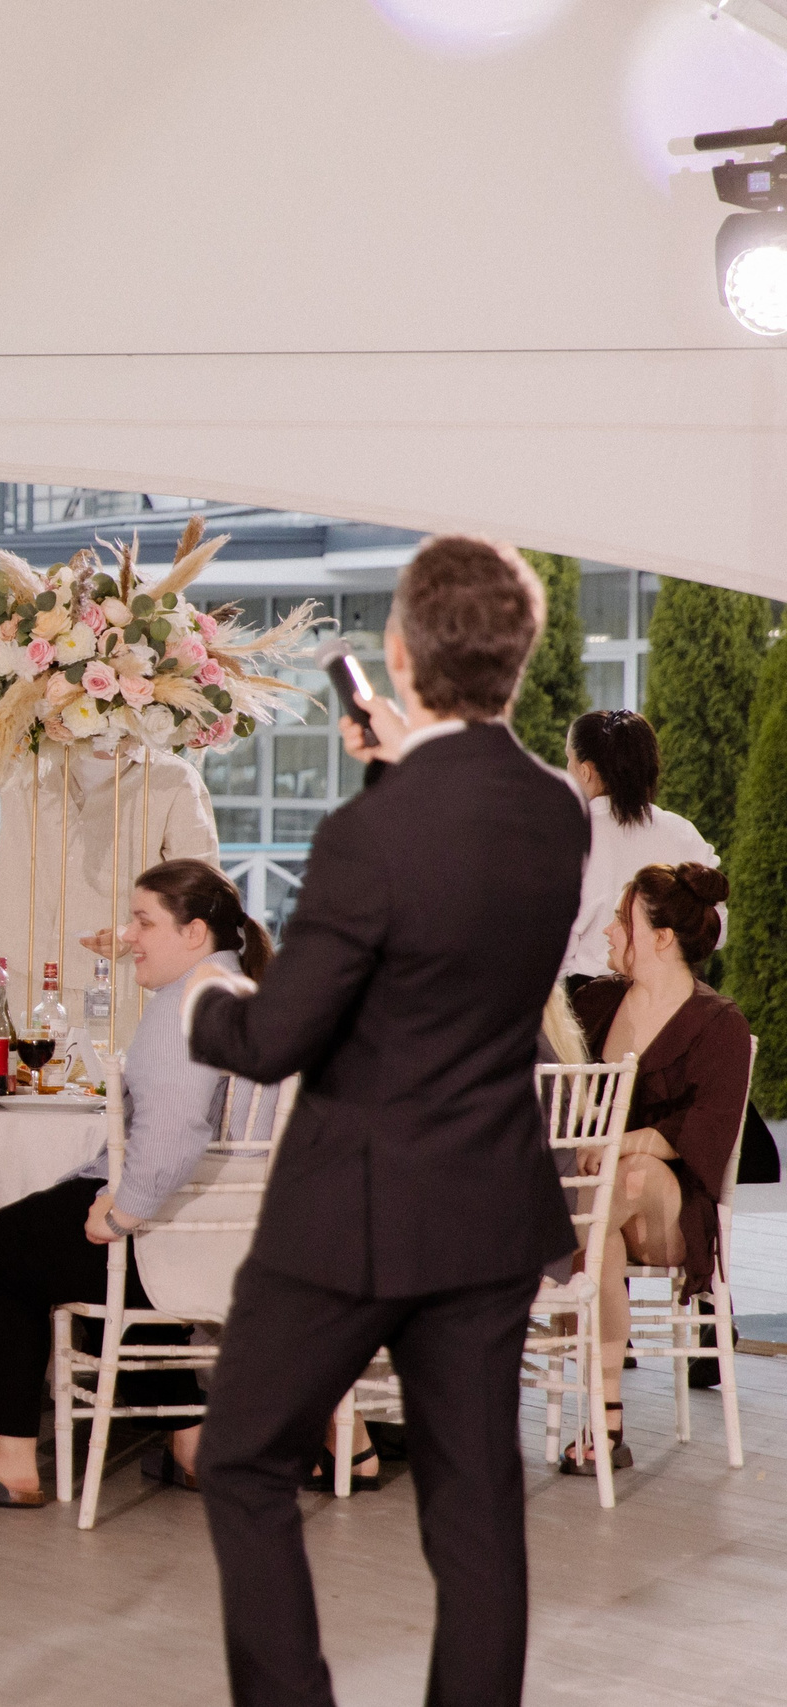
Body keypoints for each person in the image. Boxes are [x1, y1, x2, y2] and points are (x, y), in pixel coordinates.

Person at [178, 535, 585, 1707]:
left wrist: (205, 993)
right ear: (519, 656)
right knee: (473, 1514)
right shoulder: (554, 814)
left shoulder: (372, 834)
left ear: (400, 656)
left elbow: (273, 1041)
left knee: (246, 1462)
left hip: (348, 1217)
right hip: (490, 1212)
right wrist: (395, 769)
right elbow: (444, 920)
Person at [0, 859, 275, 1507]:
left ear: (193, 933)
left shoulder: (186, 1006)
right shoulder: (238, 988)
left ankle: (8, 1463)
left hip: (166, 1232)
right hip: (219, 1226)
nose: (129, 933)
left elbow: (176, 1130)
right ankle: (193, 1444)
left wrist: (124, 1210)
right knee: (78, 1253)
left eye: (143, 921)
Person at [563, 864, 752, 1470]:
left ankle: (514, 1280)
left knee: (620, 1184)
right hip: (600, 1203)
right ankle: (607, 1419)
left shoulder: (718, 1023)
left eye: (622, 921)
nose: (609, 935)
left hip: (673, 1204)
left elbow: (707, 1136)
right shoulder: (595, 1002)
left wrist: (624, 1141)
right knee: (600, 1234)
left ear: (663, 937)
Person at [0, 725, 220, 1025]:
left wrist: (135, 931)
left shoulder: (174, 779)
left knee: (108, 1074)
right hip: (20, 976)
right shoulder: (25, 757)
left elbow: (201, 893)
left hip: (120, 984)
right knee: (18, 1073)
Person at [561, 710, 721, 986]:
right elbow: (717, 930)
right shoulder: (683, 833)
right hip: (681, 1000)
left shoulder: (569, 836)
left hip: (593, 1004)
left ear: (585, 772)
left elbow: (554, 945)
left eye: (568, 760)